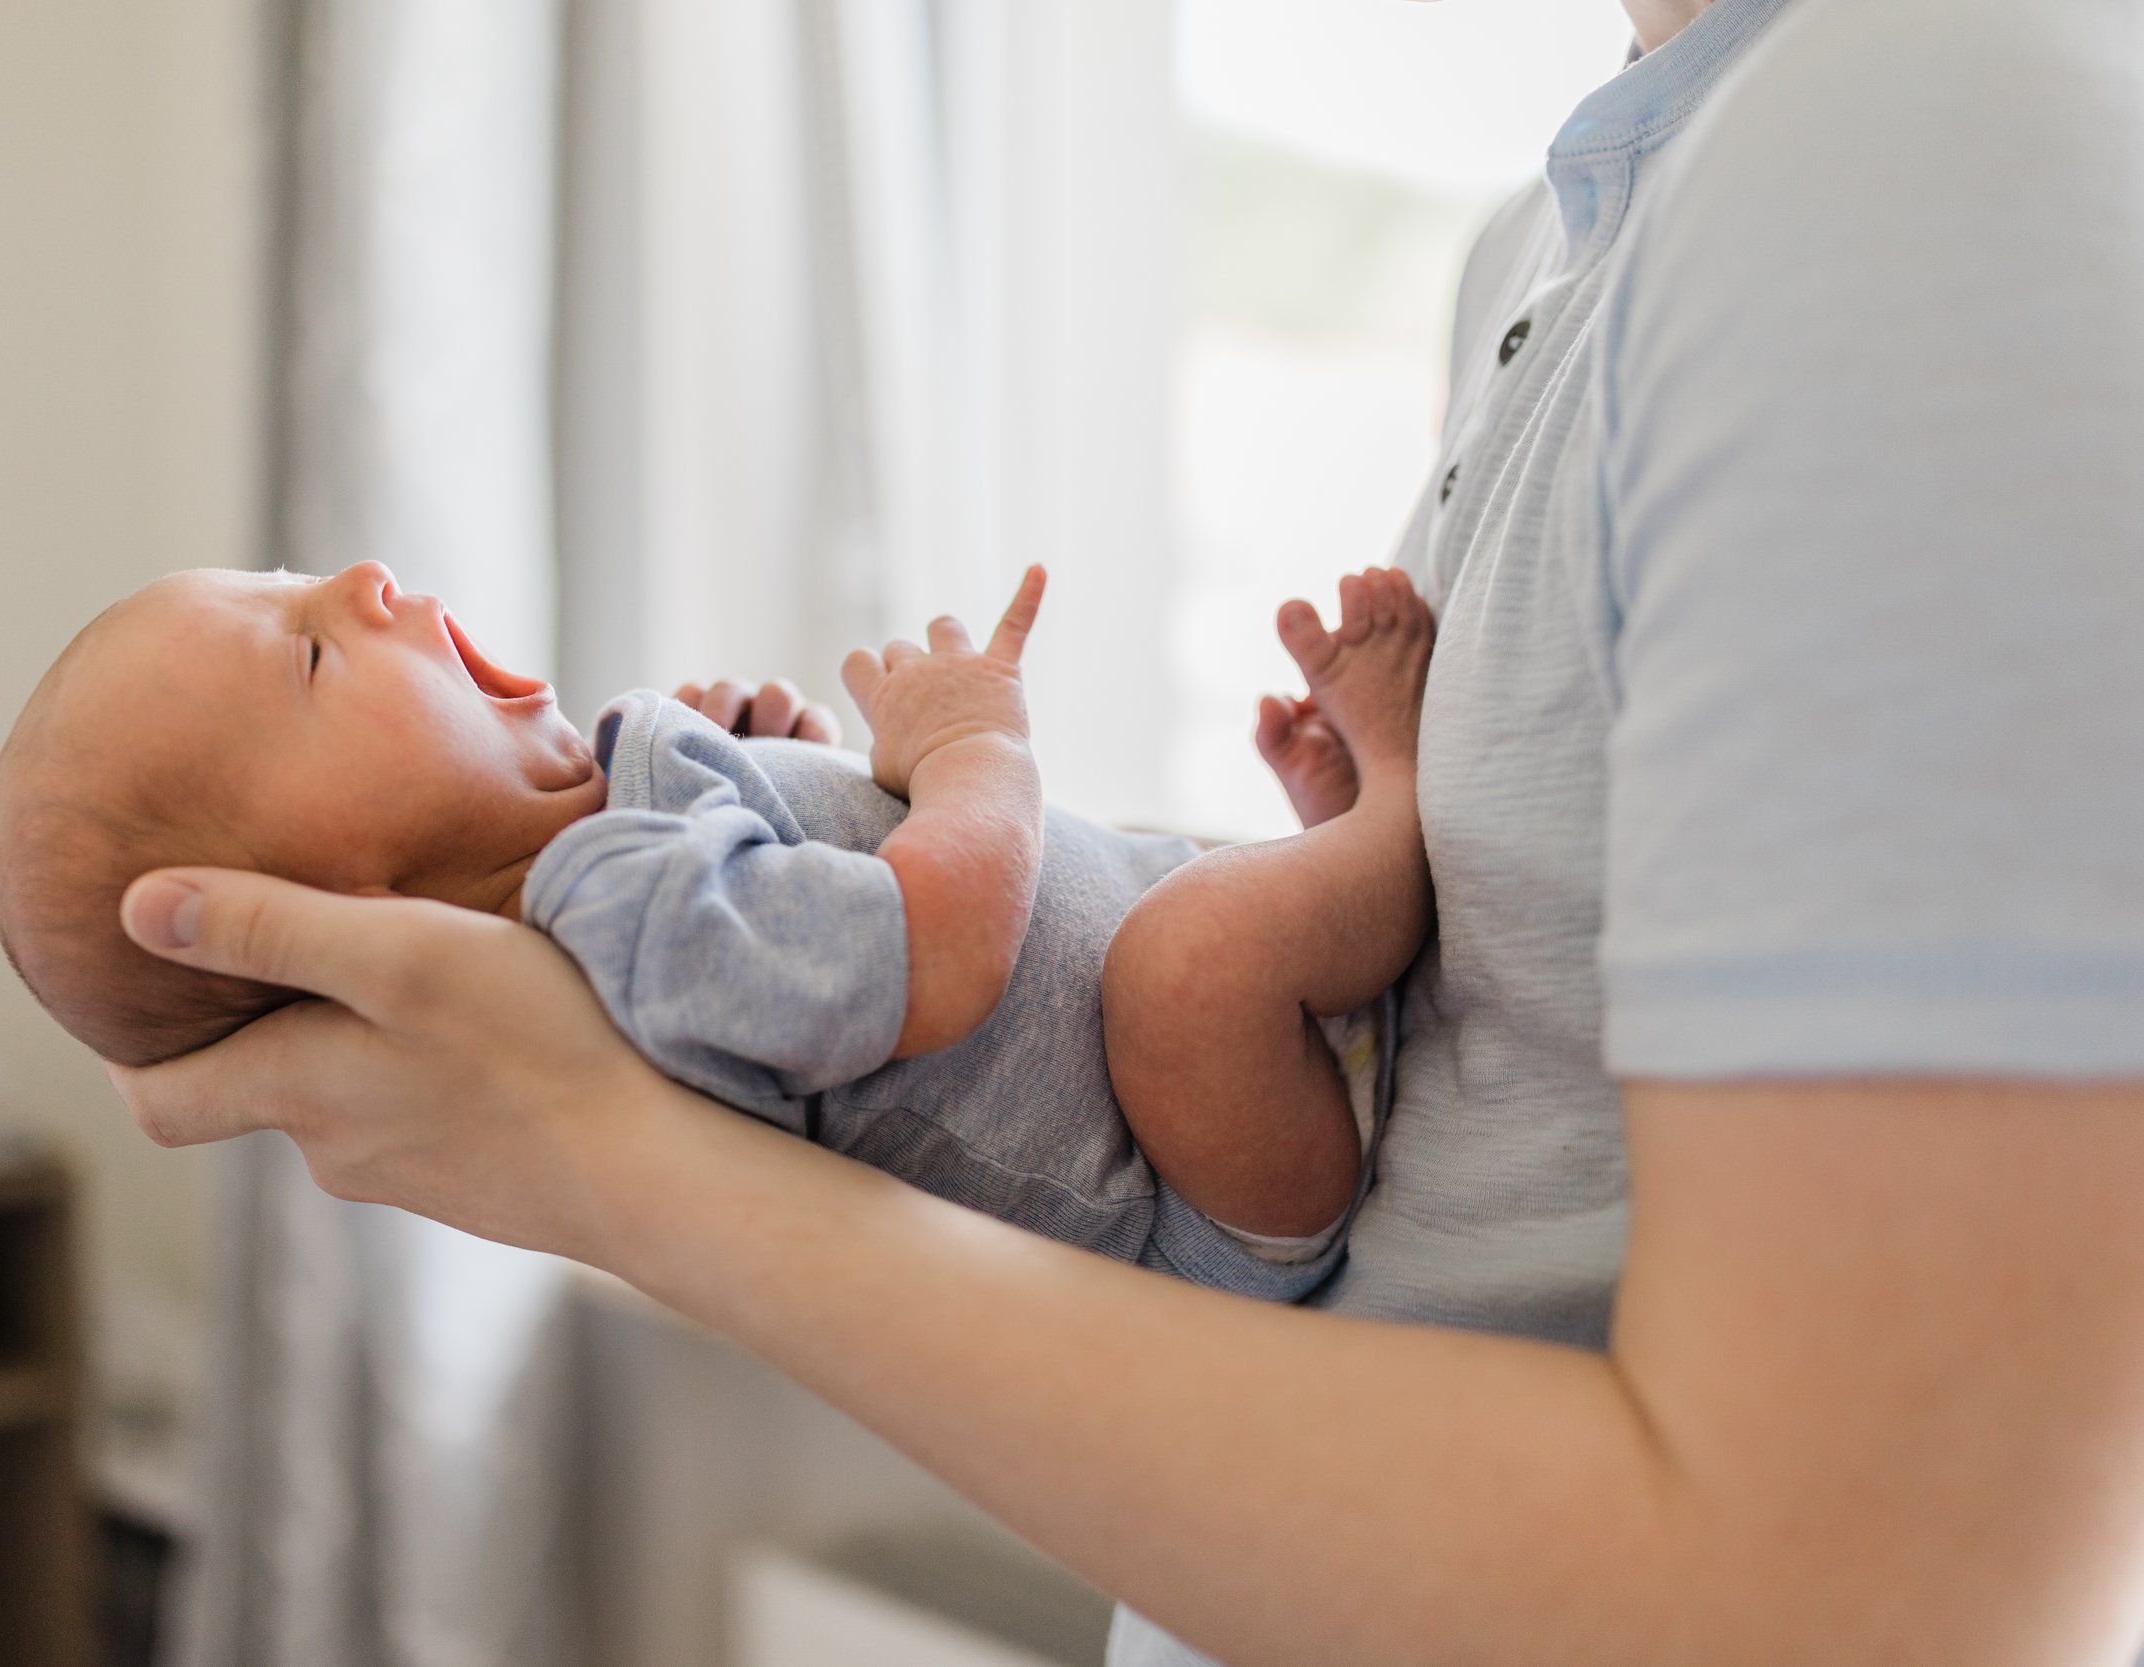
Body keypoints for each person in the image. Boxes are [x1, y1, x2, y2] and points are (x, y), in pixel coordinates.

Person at [103, 0, 2144, 1659]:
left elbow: (1856, 1602)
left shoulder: (1914, 131)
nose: (361, 590)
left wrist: (601, 1162)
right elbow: (1513, 1025)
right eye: (296, 653)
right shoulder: (1560, 235)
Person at [0, 547, 1433, 1297]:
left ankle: (1327, 876)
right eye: (307, 650)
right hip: (1203, 1210)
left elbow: (830, 942)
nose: (363, 582)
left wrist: (789, 769)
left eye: (303, 575)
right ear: (338, 892)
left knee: (1187, 925)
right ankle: (1400, 813)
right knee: (1192, 961)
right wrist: (975, 752)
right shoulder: (617, 916)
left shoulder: (621, 840)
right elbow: (935, 957)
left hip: (1209, 1094)